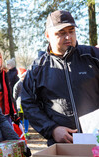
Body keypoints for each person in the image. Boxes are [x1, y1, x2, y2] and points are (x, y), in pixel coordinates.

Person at [21, 10, 99, 146]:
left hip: (96, 141)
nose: (68, 37)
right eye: (61, 33)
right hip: (63, 145)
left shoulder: (93, 56)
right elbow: (28, 103)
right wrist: (52, 129)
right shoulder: (37, 68)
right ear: (47, 35)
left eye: (71, 31)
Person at [13, 68, 30, 139]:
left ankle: (26, 132)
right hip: (20, 104)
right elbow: (15, 95)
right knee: (20, 118)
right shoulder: (18, 84)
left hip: (26, 103)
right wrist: (15, 102)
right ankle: (21, 132)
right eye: (23, 76)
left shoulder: (28, 83)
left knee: (26, 118)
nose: (24, 77)